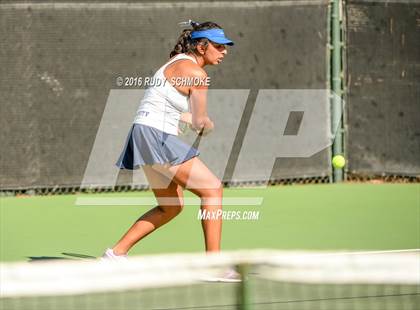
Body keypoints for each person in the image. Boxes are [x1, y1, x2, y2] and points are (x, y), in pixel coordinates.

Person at [102, 21, 234, 262]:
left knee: (170, 206)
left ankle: (115, 253)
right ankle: (215, 265)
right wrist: (206, 125)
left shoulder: (176, 63)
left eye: (225, 47)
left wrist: (187, 119)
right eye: (219, 46)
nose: (224, 51)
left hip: (142, 134)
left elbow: (165, 105)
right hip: (155, 135)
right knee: (212, 190)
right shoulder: (197, 73)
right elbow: (200, 121)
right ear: (202, 47)